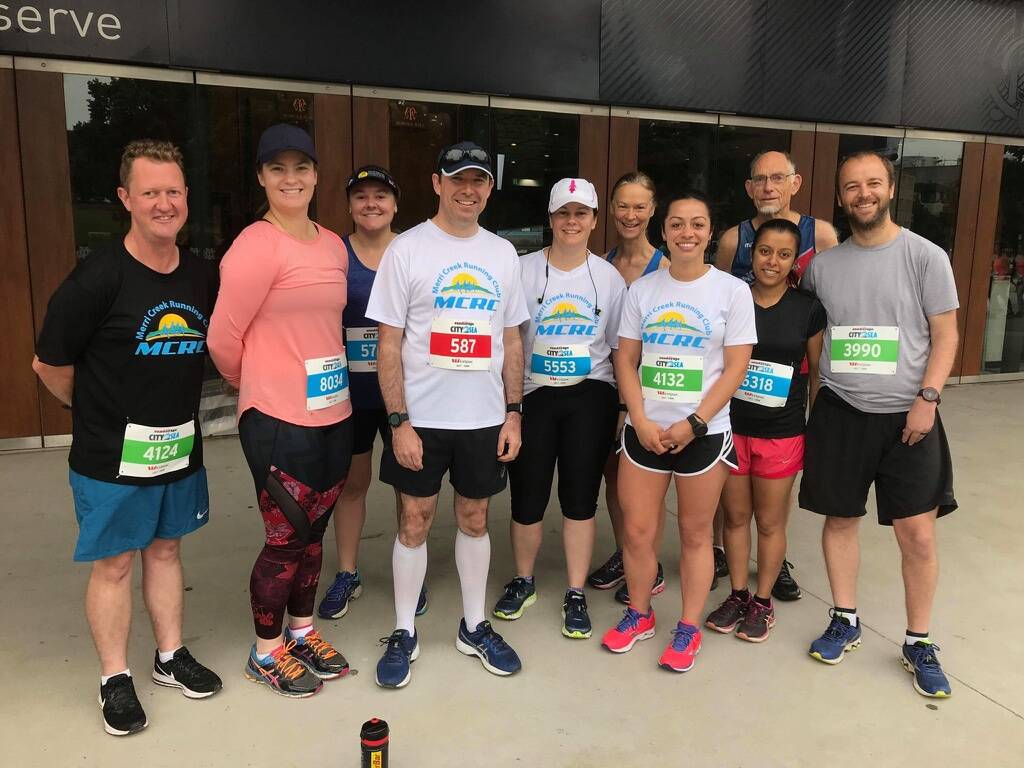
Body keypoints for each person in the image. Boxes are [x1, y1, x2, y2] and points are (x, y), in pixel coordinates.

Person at [32, 140, 222, 736]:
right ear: (125, 199)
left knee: (165, 551)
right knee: (114, 564)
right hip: (110, 455)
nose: (164, 204)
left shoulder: (201, 275)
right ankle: (114, 678)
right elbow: (48, 364)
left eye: (173, 191)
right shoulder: (97, 278)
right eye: (150, 192)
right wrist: (93, 411)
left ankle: (170, 656)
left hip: (177, 446)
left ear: (186, 197)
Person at [367, 141, 529, 688]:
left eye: (478, 180)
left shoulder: (502, 254)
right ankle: (403, 629)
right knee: (413, 520)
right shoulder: (407, 250)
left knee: (475, 519)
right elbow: (388, 344)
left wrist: (513, 413)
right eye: (457, 179)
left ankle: (474, 626)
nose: (468, 189)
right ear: (437, 183)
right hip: (422, 419)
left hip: (483, 419)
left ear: (489, 188)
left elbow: (511, 339)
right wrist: (398, 422)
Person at [800, 151, 959, 698]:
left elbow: (946, 335)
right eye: (852, 186)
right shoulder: (822, 268)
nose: (863, 193)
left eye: (872, 183)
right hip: (841, 412)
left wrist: (928, 399)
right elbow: (816, 340)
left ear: (890, 188)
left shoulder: (926, 256)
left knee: (918, 533)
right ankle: (845, 618)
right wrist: (817, 405)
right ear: (840, 197)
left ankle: (919, 641)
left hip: (909, 417)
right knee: (840, 518)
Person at [208, 124, 352, 698]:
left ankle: (302, 631)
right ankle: (265, 652)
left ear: (316, 175)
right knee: (285, 538)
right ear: (262, 178)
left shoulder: (333, 244)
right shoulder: (256, 245)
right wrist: (255, 384)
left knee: (314, 535)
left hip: (333, 412)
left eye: (301, 167)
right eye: (277, 169)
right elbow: (223, 338)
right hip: (276, 417)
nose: (291, 179)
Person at [601, 191, 756, 673]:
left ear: (710, 233)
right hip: (645, 432)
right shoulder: (643, 291)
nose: (687, 233)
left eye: (697, 224)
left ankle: (688, 626)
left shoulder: (732, 291)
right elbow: (625, 359)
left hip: (703, 434)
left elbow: (736, 367)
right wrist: (639, 417)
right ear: (664, 230)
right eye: (677, 224)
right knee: (638, 531)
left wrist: (695, 423)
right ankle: (640, 613)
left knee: (694, 534)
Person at [492, 178, 626, 638]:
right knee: (527, 495)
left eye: (581, 213)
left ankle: (575, 591)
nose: (572, 221)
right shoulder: (523, 269)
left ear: (594, 219)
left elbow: (617, 347)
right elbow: (511, 339)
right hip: (535, 393)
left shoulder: (608, 277)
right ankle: (523, 580)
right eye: (563, 213)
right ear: (550, 218)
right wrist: (511, 404)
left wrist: (621, 408)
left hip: (590, 394)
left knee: (580, 497)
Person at [715, 149, 840, 601]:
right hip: (736, 399)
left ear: (795, 183)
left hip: (790, 379)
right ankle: (728, 568)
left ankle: (769, 576)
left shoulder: (821, 235)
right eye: (760, 179)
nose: (769, 187)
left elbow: (831, 302)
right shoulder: (733, 241)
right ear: (750, 187)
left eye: (778, 178)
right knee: (734, 512)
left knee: (771, 513)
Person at [704, 219, 824, 642]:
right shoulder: (731, 299)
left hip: (782, 433)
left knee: (770, 523)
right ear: (752, 253)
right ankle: (738, 594)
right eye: (765, 251)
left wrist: (816, 429)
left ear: (795, 262)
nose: (772, 261)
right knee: (736, 519)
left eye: (784, 254)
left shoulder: (808, 308)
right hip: (732, 428)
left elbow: (816, 375)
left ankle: (763, 601)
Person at [316, 166, 427, 621]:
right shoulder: (334, 254)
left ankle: (410, 571)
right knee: (353, 484)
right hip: (351, 393)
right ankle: (348, 572)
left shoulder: (414, 251)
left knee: (408, 483)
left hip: (403, 393)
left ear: (395, 204)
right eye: (360, 196)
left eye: (380, 195)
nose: (371, 204)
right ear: (349, 206)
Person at [588, 171, 669, 605]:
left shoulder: (667, 269)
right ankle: (627, 554)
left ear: (653, 210)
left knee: (645, 486)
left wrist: (630, 406)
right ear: (611, 209)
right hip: (605, 390)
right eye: (623, 205)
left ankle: (650, 565)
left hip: (646, 397)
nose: (630, 214)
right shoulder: (600, 266)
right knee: (614, 479)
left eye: (640, 206)